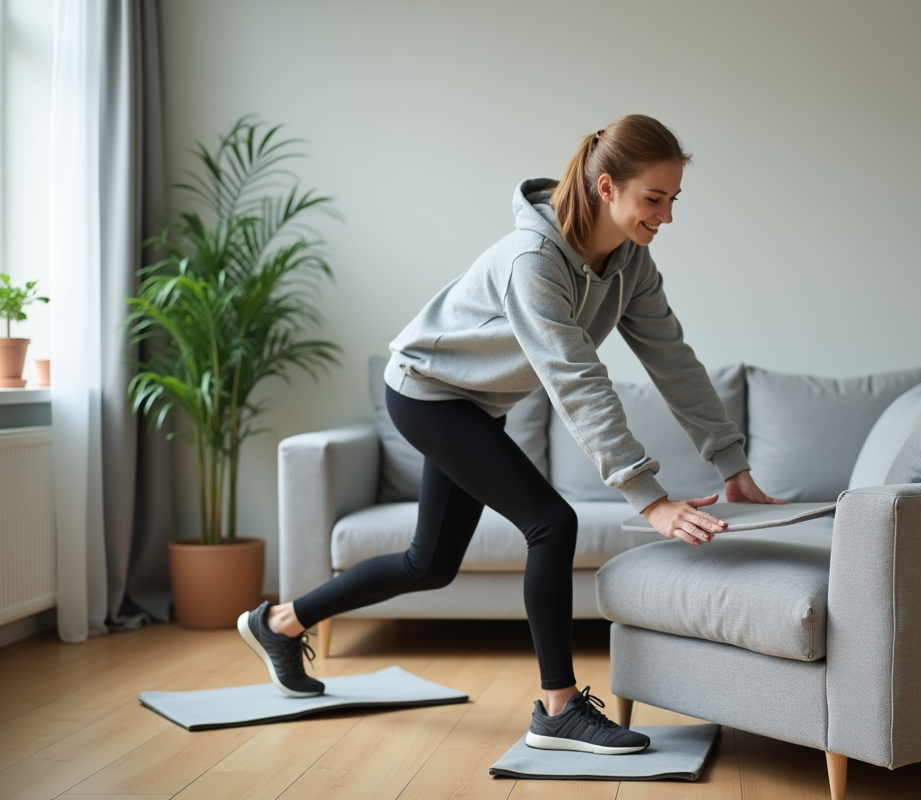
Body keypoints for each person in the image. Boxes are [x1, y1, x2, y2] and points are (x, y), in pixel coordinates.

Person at [237, 114, 782, 755]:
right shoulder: (535, 260)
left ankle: (277, 622)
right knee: (552, 522)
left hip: (473, 404)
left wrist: (731, 463)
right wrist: (649, 497)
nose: (665, 217)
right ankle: (556, 709)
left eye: (673, 200)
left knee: (429, 564)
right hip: (428, 394)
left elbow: (674, 360)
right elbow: (576, 379)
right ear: (607, 187)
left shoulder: (631, 264)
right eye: (653, 199)